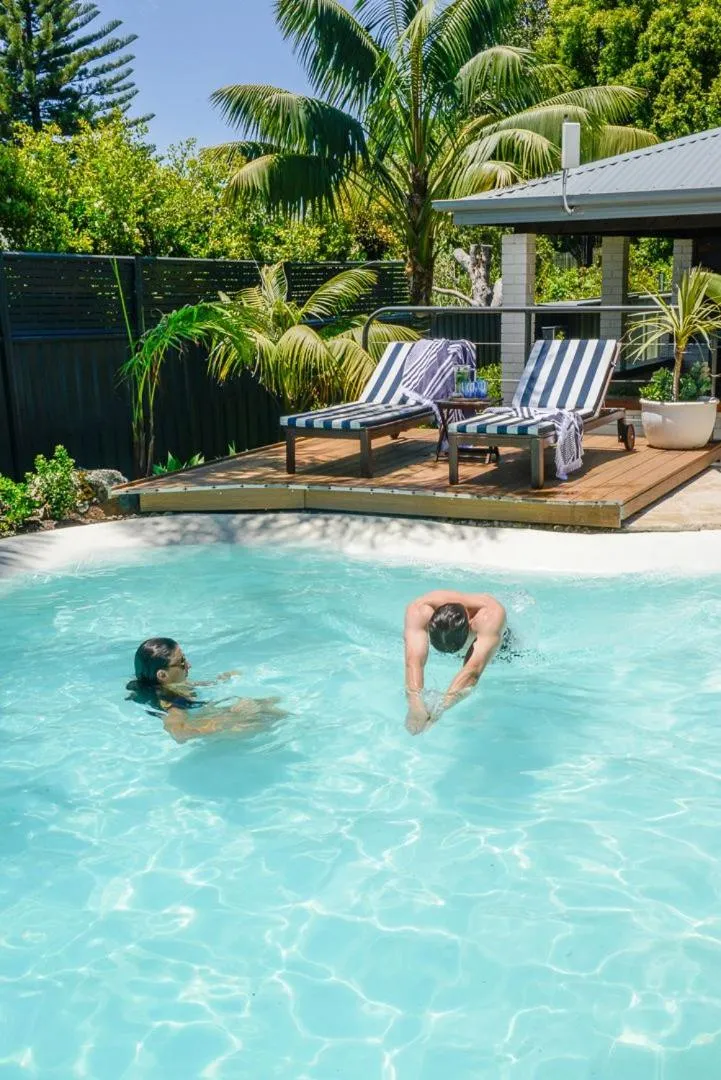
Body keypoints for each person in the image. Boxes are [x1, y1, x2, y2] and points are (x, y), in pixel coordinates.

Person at [126, 637, 285, 743]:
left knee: (265, 704)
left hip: (202, 715)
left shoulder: (169, 686)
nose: (188, 665)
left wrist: (219, 681)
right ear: (162, 675)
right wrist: (231, 716)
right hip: (203, 727)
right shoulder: (172, 704)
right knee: (265, 717)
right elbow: (179, 734)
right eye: (181, 662)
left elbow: (190, 686)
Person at [404, 590, 507, 735]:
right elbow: (413, 661)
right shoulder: (418, 611)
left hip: (504, 646)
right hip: (465, 635)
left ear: (470, 624)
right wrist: (415, 706)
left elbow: (472, 671)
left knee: (501, 660)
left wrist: (439, 710)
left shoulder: (490, 616)